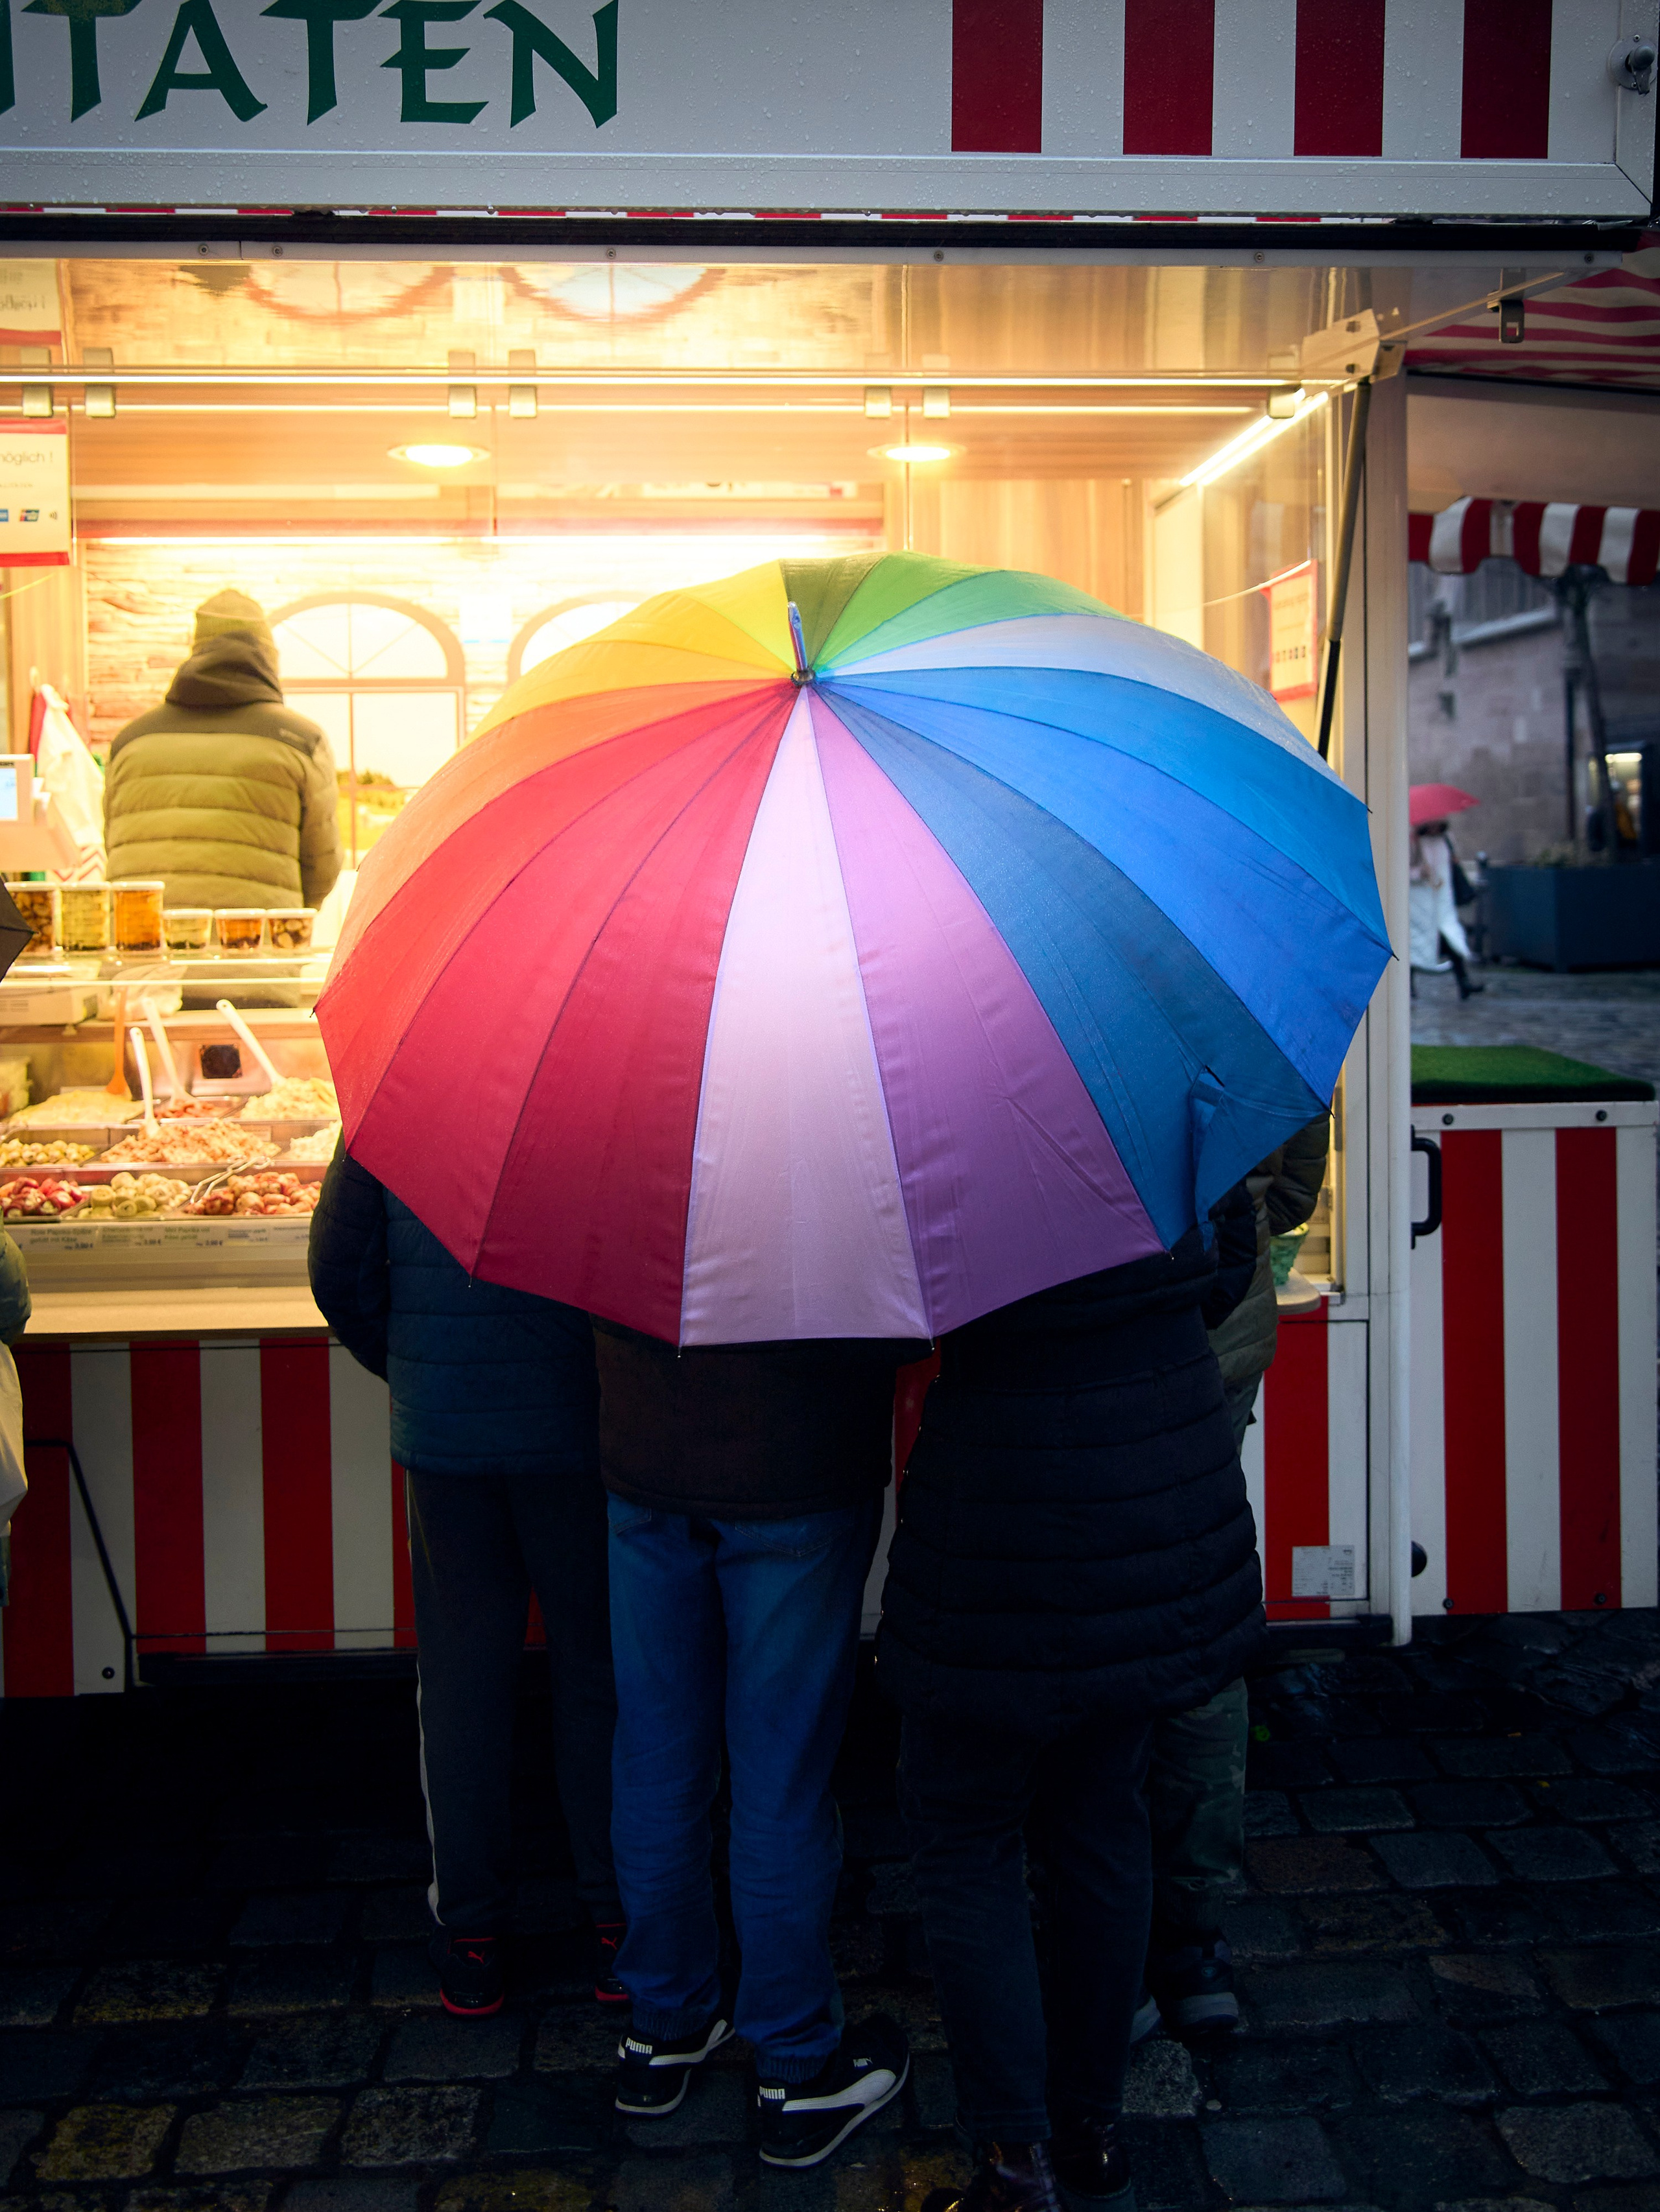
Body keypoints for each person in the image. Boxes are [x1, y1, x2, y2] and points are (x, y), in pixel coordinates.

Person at [880, 1227, 1265, 2212]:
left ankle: (1018, 2159)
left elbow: (899, 1309)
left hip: (996, 1503)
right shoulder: (1166, 1082)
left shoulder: (939, 1113)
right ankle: (1089, 2132)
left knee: (966, 1831)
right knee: (1103, 1817)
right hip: (1145, 1495)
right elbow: (1228, 1269)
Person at [591, 1317, 921, 2168]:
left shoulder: (618, 1172)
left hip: (646, 1445)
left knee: (657, 1754)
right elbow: (897, 1318)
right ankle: (795, 2061)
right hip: (798, 1464)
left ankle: (664, 2024)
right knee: (780, 1778)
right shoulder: (844, 1173)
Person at [309, 1142, 621, 2019]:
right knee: (600, 1678)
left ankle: (474, 1939)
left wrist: (415, 1367)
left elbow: (337, 1274)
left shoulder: (397, 1094)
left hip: (448, 1443)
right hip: (579, 1430)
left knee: (461, 1685)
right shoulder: (607, 1083)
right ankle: (618, 1926)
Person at [1136, 1116, 1331, 2042]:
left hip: (1072, 1353)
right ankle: (1191, 1937)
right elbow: (1293, 1189)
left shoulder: (1010, 986)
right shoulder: (1241, 982)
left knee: (1086, 1623)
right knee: (1197, 1625)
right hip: (1217, 1345)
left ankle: (1097, 1921)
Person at [105, 589, 342, 911]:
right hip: (259, 943)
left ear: (196, 651)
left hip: (143, 938)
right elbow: (322, 864)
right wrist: (292, 916)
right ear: (268, 658)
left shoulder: (130, 739)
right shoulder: (301, 741)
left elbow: (115, 842)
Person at [1410, 818, 1482, 1000]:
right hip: (1420, 903)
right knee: (1414, 945)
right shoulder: (1413, 842)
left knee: (1452, 941)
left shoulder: (1446, 839)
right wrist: (1419, 873)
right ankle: (1409, 988)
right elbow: (1403, 870)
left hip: (1442, 900)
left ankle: (1463, 982)